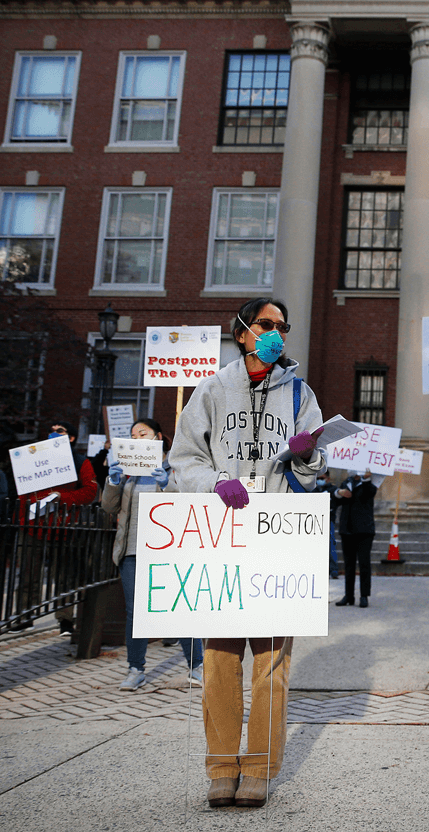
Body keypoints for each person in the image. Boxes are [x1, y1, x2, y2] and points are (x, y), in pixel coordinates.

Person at [170, 297, 325, 809]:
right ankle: (220, 766)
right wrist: (216, 482)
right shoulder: (212, 389)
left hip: (277, 533)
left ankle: (258, 766)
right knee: (218, 655)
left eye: (282, 326)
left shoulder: (301, 394)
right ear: (241, 332)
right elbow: (184, 459)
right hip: (224, 534)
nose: (275, 333)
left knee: (272, 657)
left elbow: (312, 472)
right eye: (266, 324)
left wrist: (307, 456)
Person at [102, 418, 203, 691]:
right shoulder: (128, 471)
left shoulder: (176, 465)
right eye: (133, 435)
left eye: (143, 433)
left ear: (158, 437)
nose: (137, 438)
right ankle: (136, 669)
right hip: (132, 550)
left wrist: (166, 483)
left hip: (167, 550)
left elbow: (189, 501)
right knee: (136, 612)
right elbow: (109, 507)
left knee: (180, 607)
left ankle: (196, 665)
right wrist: (113, 482)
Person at [13, 421, 98, 635]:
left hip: (64, 526)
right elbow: (23, 488)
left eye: (59, 431)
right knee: (27, 574)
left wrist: (63, 498)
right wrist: (22, 515)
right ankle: (25, 616)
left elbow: (89, 492)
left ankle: (65, 620)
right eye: (50, 431)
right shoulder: (33, 458)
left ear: (71, 438)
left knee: (65, 576)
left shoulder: (80, 462)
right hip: (33, 526)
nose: (53, 434)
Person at [334, 469, 378, 608]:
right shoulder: (347, 482)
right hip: (347, 530)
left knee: (364, 563)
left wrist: (366, 479)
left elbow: (368, 494)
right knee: (349, 564)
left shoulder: (369, 484)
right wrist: (339, 493)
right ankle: (349, 595)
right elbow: (334, 499)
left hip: (364, 530)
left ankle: (364, 596)